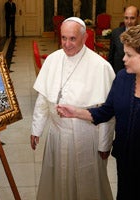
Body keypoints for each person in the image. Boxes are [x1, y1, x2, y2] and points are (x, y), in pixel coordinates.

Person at [57, 24, 140, 200]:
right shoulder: (122, 77)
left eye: (129, 55)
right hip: (125, 163)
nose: (124, 59)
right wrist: (75, 112)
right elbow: (105, 112)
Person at [30, 17, 116, 200]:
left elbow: (108, 112)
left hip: (85, 137)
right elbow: (43, 99)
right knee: (56, 182)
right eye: (63, 38)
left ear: (84, 38)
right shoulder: (52, 60)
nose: (66, 44)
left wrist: (104, 143)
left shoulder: (101, 66)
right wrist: (36, 129)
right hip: (56, 134)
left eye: (72, 39)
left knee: (86, 185)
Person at [108, 5, 139, 73]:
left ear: (138, 18)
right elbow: (111, 56)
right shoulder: (116, 33)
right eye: (126, 18)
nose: (129, 22)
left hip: (136, 74)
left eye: (132, 18)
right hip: (118, 72)